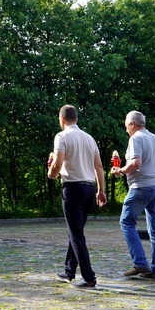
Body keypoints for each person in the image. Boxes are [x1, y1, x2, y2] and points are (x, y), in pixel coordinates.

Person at [47, 105, 107, 288]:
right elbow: (99, 166)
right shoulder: (89, 138)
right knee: (76, 232)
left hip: (72, 188)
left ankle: (89, 277)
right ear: (76, 119)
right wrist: (101, 190)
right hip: (89, 188)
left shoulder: (61, 136)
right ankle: (69, 271)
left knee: (76, 234)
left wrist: (51, 174)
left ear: (62, 119)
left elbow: (57, 163)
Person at [111, 111, 155, 280]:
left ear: (132, 124)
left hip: (142, 187)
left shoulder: (136, 138)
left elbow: (136, 163)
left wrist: (121, 171)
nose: (126, 129)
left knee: (126, 222)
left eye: (126, 126)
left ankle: (140, 263)